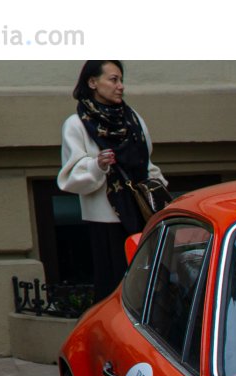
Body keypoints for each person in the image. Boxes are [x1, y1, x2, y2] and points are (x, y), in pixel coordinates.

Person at [59, 60, 169, 299]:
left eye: (121, 80)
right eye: (113, 79)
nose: (120, 86)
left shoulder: (133, 119)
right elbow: (70, 179)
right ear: (92, 82)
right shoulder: (76, 124)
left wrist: (159, 192)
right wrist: (97, 165)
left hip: (142, 211)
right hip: (106, 221)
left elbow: (146, 163)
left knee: (149, 284)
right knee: (115, 287)